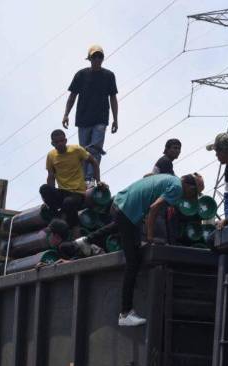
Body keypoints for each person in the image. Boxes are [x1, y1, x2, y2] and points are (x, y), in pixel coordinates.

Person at [72, 173, 204, 326]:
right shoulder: (177, 188)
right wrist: (150, 237)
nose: (191, 197)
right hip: (127, 210)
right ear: (189, 185)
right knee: (133, 261)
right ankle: (125, 313)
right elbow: (154, 209)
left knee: (120, 225)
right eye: (194, 193)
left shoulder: (170, 179)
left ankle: (85, 240)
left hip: (121, 203)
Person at [62, 44, 119, 183]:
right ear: (89, 58)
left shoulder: (109, 76)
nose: (97, 59)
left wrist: (115, 119)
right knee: (84, 150)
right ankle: (82, 178)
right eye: (95, 56)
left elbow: (113, 98)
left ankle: (90, 178)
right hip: (83, 118)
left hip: (100, 118)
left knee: (95, 149)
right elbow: (72, 96)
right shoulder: (81, 75)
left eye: (100, 56)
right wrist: (66, 114)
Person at [40, 129, 101, 235]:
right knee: (44, 188)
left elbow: (93, 162)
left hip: (77, 193)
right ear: (52, 143)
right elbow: (51, 177)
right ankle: (57, 218)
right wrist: (49, 199)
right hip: (62, 191)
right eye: (57, 142)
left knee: (68, 202)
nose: (60, 144)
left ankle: (74, 228)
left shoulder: (76, 150)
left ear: (65, 140)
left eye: (61, 141)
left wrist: (98, 181)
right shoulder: (51, 156)